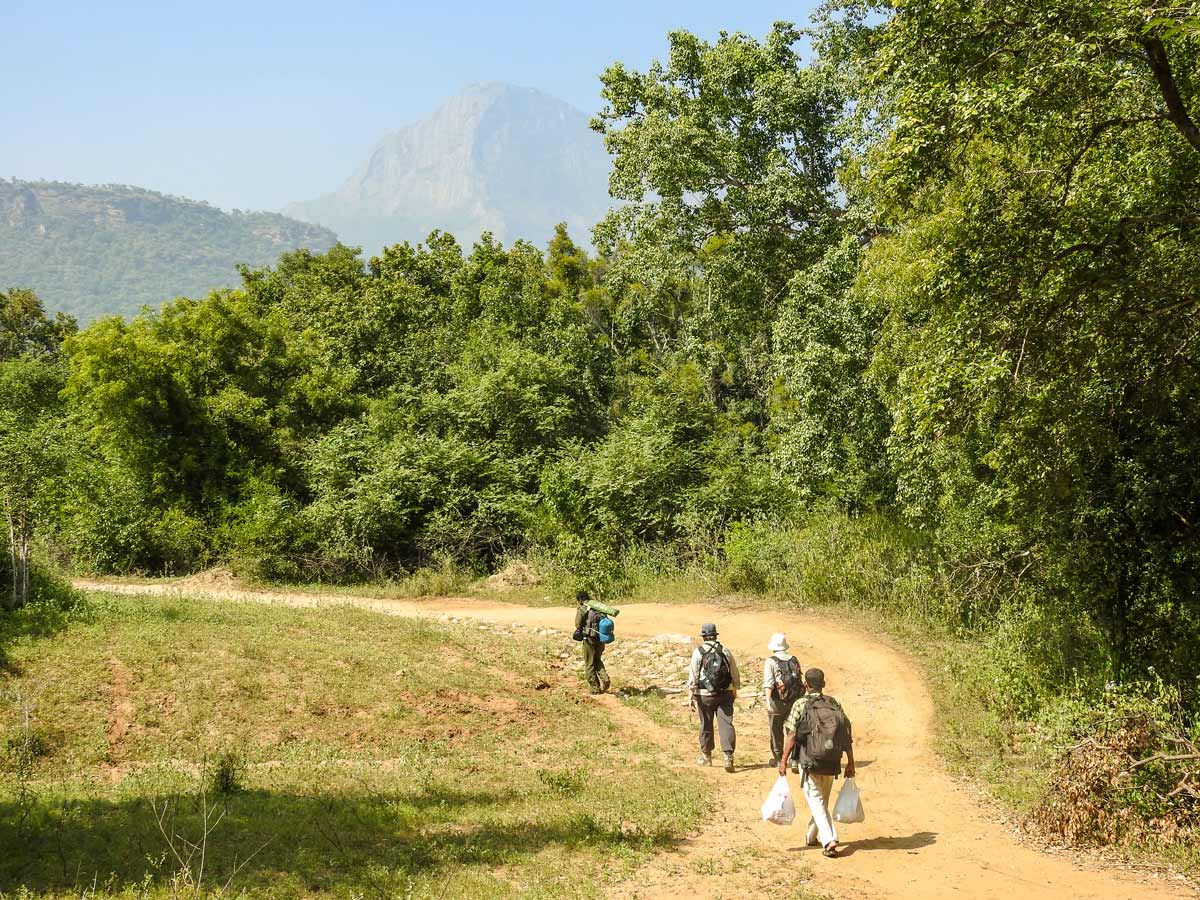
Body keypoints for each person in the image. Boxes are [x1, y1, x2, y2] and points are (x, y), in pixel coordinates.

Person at [778, 668, 856, 858]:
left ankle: (829, 839)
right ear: (824, 684)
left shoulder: (800, 704)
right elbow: (846, 733)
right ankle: (812, 836)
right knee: (821, 802)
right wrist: (850, 762)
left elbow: (791, 734)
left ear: (806, 685)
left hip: (809, 761)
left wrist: (783, 761)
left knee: (817, 802)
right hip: (832, 761)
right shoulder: (834, 703)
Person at [687, 622, 741, 772]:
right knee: (726, 724)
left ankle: (706, 757)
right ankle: (728, 757)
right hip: (725, 693)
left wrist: (690, 695)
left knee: (706, 724)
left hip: (704, 695)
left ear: (704, 636)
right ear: (715, 635)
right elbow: (734, 672)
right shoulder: (725, 650)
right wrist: (735, 686)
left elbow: (693, 676)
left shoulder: (698, 652)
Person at [762, 633, 802, 769]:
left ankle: (779, 759)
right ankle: (794, 759)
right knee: (793, 729)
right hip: (794, 700)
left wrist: (768, 701)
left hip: (777, 702)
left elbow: (769, 683)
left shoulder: (771, 661)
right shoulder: (794, 659)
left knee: (776, 730)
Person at [573, 590, 610, 694]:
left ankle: (595, 689)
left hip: (589, 639)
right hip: (601, 639)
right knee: (597, 660)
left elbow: (577, 624)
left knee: (589, 664)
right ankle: (605, 678)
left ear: (580, 600)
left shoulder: (582, 609)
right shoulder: (599, 608)